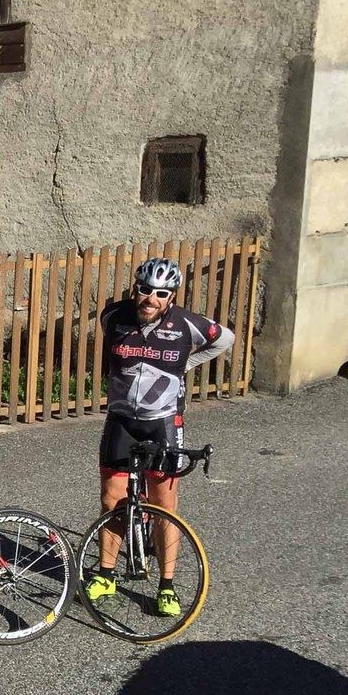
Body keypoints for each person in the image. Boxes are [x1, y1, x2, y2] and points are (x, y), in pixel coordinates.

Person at [88, 258, 233, 615]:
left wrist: (186, 364)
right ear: (134, 289)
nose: (151, 299)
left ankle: (167, 586)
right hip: (121, 419)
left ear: (172, 297)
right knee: (111, 500)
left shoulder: (186, 324)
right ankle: (106, 574)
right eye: (145, 290)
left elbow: (225, 338)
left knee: (164, 504)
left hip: (163, 422)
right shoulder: (113, 316)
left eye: (161, 294)